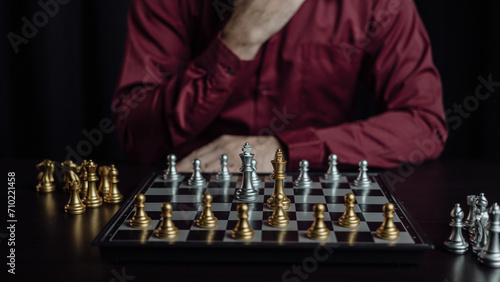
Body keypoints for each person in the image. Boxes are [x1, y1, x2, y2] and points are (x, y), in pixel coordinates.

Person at [113, 0, 448, 173]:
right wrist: (237, 42)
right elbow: (137, 138)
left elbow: (424, 123)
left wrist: (283, 150)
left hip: (317, 197)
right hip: (193, 197)